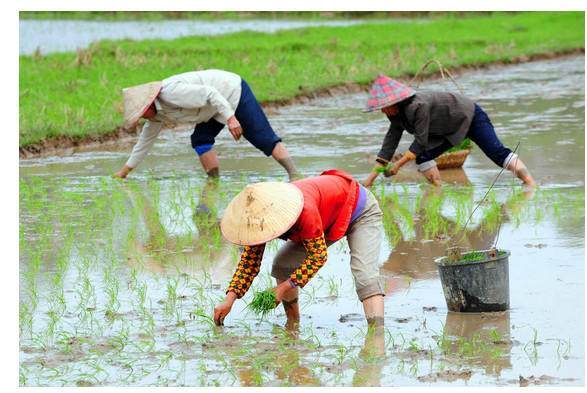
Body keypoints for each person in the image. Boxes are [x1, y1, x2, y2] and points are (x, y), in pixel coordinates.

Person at [213, 169, 386, 328]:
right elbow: (249, 263)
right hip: (327, 217)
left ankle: (377, 336)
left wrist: (282, 289)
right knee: (282, 265)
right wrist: (229, 300)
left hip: (360, 210)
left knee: (365, 274)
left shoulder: (302, 210)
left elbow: (318, 257)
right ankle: (293, 325)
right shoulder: (258, 221)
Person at [114, 69, 300, 180]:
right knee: (200, 139)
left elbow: (211, 93)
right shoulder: (157, 116)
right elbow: (144, 143)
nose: (142, 118)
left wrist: (231, 118)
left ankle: (295, 175)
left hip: (231, 91)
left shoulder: (171, 92)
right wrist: (124, 172)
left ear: (147, 104)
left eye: (141, 113)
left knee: (262, 138)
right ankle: (213, 183)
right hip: (212, 108)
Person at [361, 75, 536, 188]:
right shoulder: (395, 116)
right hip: (447, 130)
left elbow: (420, 141)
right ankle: (437, 190)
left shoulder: (417, 106)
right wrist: (369, 181)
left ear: (394, 102)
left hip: (470, 116)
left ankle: (529, 183)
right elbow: (388, 146)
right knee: (422, 156)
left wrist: (397, 166)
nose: (382, 111)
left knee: (497, 153)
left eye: (384, 107)